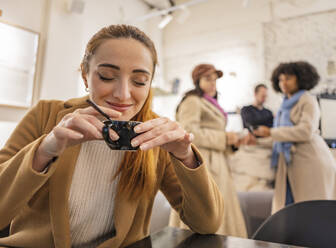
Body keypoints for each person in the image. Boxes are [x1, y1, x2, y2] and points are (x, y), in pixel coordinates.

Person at [0, 25, 223, 247]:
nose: (123, 94)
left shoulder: (155, 136)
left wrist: (186, 157)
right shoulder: (46, 115)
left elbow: (207, 224)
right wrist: (44, 151)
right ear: (86, 75)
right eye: (107, 76)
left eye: (139, 81)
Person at [254, 61, 336, 213]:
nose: (283, 83)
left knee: (316, 211)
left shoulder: (308, 100)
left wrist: (270, 132)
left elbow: (305, 131)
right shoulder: (284, 105)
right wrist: (256, 140)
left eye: (288, 78)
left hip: (311, 161)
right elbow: (281, 135)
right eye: (280, 79)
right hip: (291, 164)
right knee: (293, 211)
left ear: (300, 78)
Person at [168, 63, 248, 238]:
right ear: (198, 81)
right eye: (208, 79)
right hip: (202, 163)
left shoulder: (208, 102)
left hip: (218, 163)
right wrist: (223, 138)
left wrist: (232, 142)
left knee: (218, 212)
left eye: (215, 79)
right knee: (205, 210)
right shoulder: (193, 101)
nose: (213, 83)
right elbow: (188, 132)